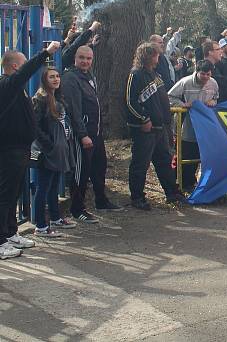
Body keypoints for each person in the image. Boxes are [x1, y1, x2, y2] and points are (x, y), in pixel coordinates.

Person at [0, 41, 60, 259]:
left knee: (14, 193)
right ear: (15, 66)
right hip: (8, 149)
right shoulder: (6, 84)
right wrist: (46, 52)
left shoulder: (17, 88)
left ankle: (10, 233)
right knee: (5, 195)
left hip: (21, 148)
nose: (26, 68)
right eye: (23, 64)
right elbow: (26, 71)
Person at [61, 45, 121, 220]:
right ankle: (77, 209)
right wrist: (82, 135)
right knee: (81, 172)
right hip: (83, 135)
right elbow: (74, 110)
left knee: (99, 168)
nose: (85, 61)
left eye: (88, 58)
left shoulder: (89, 76)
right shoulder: (71, 79)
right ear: (75, 58)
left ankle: (101, 201)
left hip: (96, 133)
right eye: (82, 58)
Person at [125, 42, 183, 210]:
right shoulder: (135, 74)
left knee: (164, 160)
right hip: (144, 129)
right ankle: (137, 197)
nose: (158, 58)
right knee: (140, 163)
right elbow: (129, 102)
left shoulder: (155, 74)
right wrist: (143, 119)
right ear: (148, 56)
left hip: (160, 128)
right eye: (156, 55)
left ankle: (171, 192)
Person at [31, 67, 77, 237]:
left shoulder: (58, 97)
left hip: (60, 150)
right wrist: (49, 144)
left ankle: (56, 218)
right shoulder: (40, 99)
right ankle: (41, 226)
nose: (56, 79)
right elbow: (35, 127)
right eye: (51, 77)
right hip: (48, 152)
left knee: (54, 187)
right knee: (43, 187)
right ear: (44, 80)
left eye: (57, 76)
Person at [168, 61, 218, 193]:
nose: (205, 77)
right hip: (186, 125)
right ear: (197, 71)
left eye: (208, 74)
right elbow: (169, 96)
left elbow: (216, 97)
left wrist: (213, 101)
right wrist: (182, 104)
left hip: (204, 127)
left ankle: (192, 182)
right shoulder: (185, 82)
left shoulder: (213, 83)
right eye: (203, 74)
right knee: (185, 153)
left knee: (197, 154)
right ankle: (180, 182)